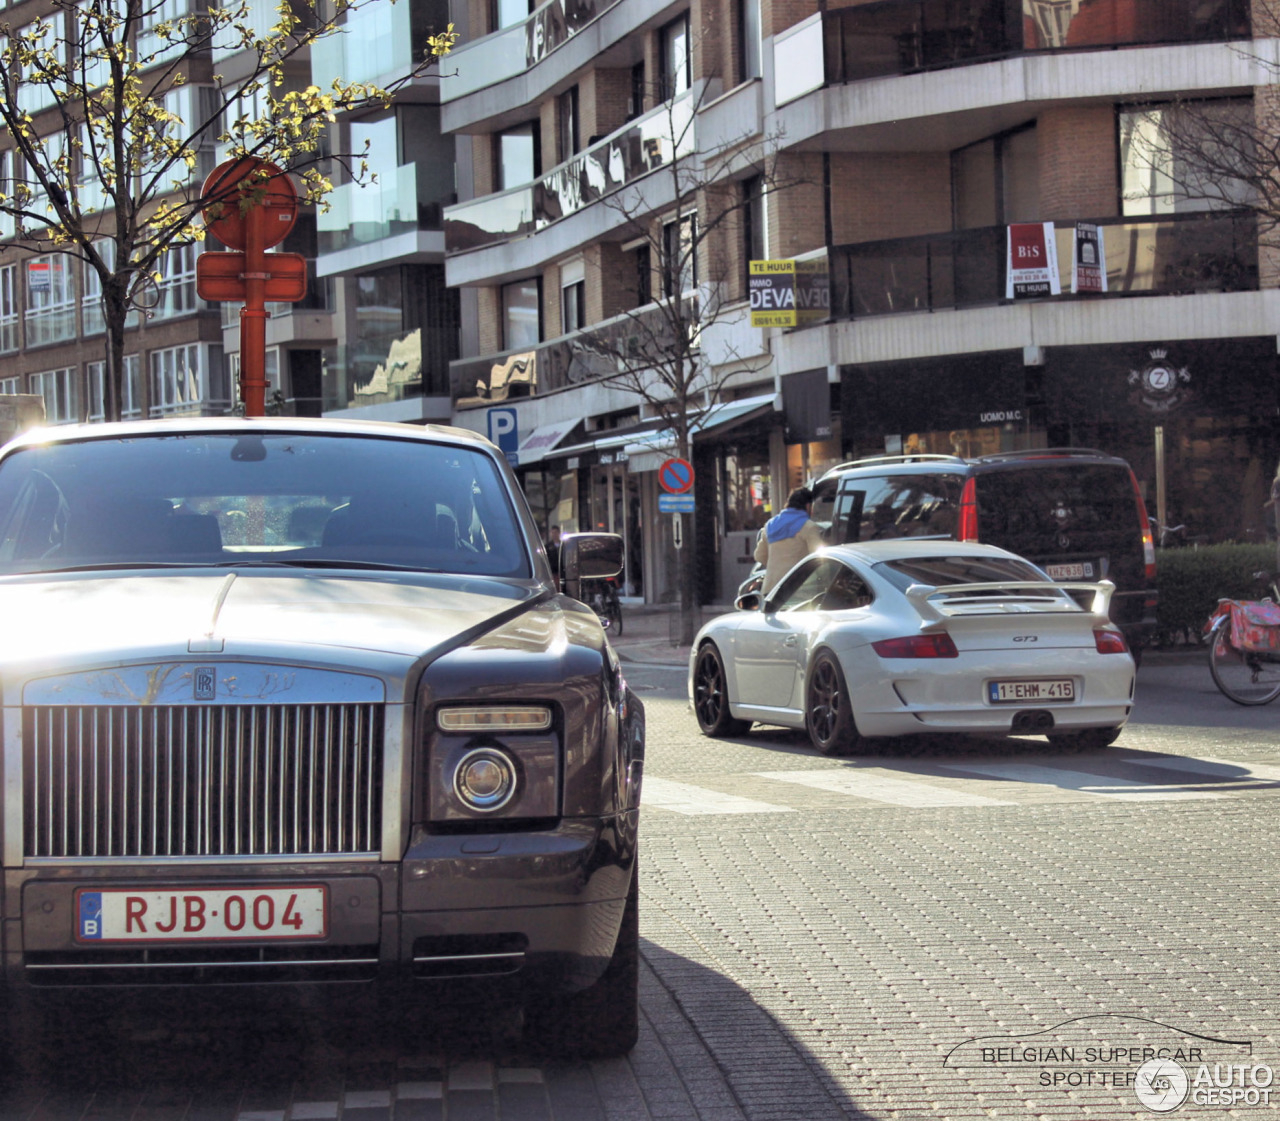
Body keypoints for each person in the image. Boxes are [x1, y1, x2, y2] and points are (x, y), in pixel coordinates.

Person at [753, 486, 824, 595]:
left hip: (771, 590)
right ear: (808, 506)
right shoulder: (809, 527)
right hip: (798, 592)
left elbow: (759, 556)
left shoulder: (770, 525)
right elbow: (820, 558)